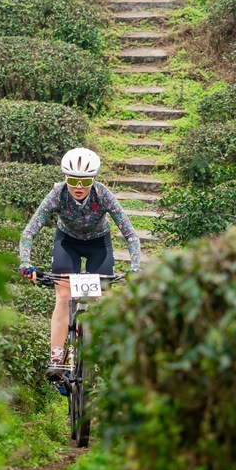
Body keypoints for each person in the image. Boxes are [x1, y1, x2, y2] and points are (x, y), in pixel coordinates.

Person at [18, 147, 141, 391]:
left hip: (98, 244)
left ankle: (102, 353)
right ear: (65, 178)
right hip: (67, 242)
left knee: (102, 299)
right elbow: (29, 231)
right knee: (63, 296)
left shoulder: (103, 194)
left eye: (85, 181)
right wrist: (25, 262)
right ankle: (56, 359)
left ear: (93, 180)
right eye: (73, 180)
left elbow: (130, 235)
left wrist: (135, 266)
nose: (78, 186)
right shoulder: (57, 194)